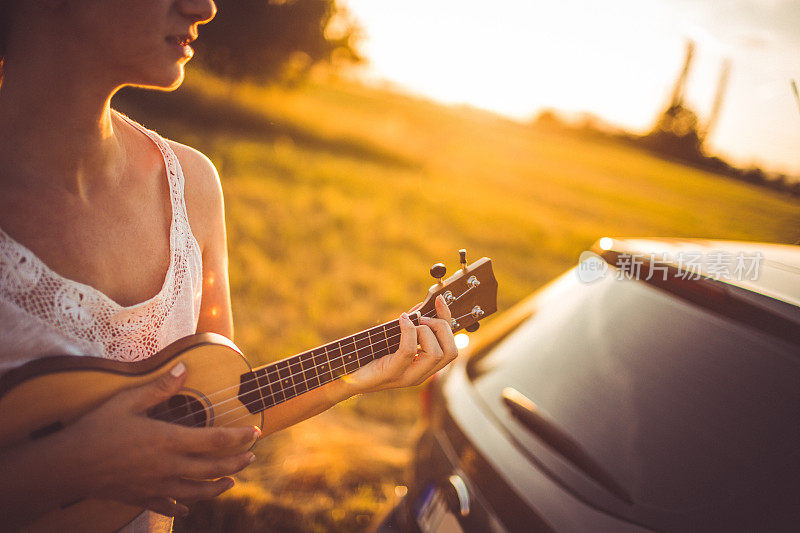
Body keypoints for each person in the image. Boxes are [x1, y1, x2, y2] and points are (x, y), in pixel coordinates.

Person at [0, 1, 458, 531]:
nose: (205, 7)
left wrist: (350, 380)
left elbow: (223, 404)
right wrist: (73, 466)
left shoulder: (190, 185)